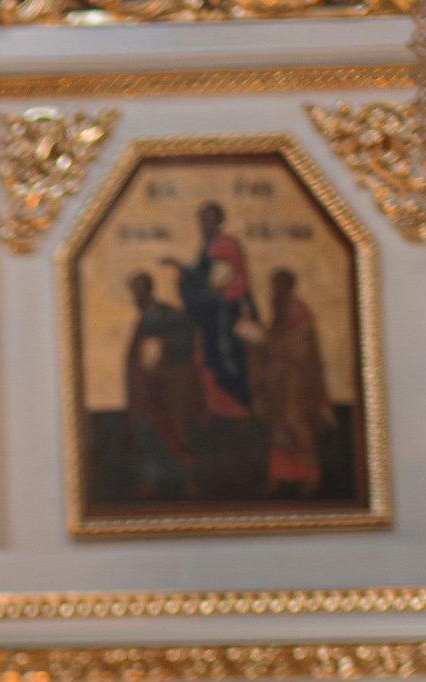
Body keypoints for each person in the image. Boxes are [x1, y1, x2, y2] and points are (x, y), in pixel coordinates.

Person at [251, 266, 335, 497]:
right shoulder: (280, 310)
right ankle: (279, 475)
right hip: (277, 381)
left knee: (293, 422)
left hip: (295, 381)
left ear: (287, 287)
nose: (274, 291)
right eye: (273, 286)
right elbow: (274, 339)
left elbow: (298, 347)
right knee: (277, 427)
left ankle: (312, 474)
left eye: (278, 286)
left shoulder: (298, 312)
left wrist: (267, 343)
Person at [122, 270, 204, 499]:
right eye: (133, 292)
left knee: (177, 429)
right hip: (147, 389)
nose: (135, 296)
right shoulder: (144, 319)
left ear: (147, 290)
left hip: (169, 386)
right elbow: (136, 356)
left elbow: (185, 341)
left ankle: (189, 479)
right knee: (147, 430)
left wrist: (166, 345)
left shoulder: (170, 315)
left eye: (138, 291)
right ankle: (152, 479)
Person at [174, 201, 255, 414]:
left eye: (207, 219)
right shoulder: (209, 244)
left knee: (223, 352)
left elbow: (216, 279)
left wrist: (187, 274)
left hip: (225, 307)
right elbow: (203, 276)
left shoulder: (224, 245)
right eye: (201, 219)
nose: (203, 224)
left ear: (218, 220)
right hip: (213, 307)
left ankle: (238, 400)